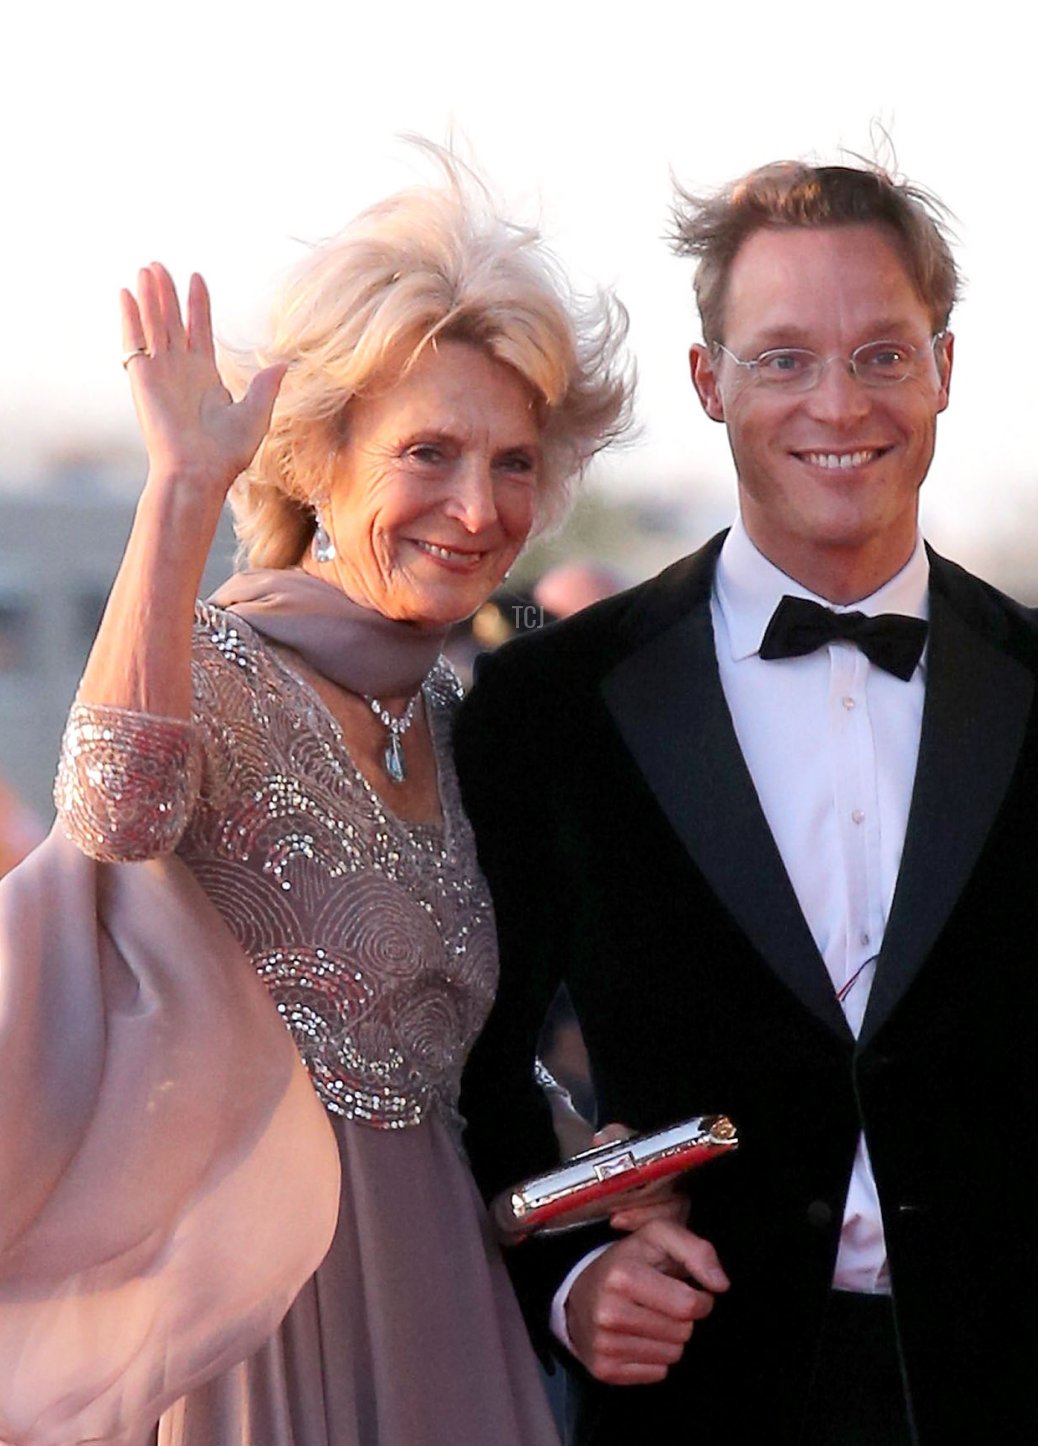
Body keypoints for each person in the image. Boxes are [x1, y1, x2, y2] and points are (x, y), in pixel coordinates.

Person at [453, 157, 1038, 1445]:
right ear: (711, 382)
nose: (839, 402)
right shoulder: (555, 704)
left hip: (1023, 1402)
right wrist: (566, 1275)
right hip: (694, 1404)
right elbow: (465, 1061)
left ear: (945, 370)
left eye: (883, 355)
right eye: (785, 358)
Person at [14, 160, 631, 1443]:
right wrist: (178, 494)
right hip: (256, 1339)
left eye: (514, 462)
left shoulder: (464, 723)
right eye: (428, 452)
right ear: (317, 455)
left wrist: (597, 1161)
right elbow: (111, 819)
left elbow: (436, 1089)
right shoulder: (224, 670)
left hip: (448, 1315)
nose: (478, 508)